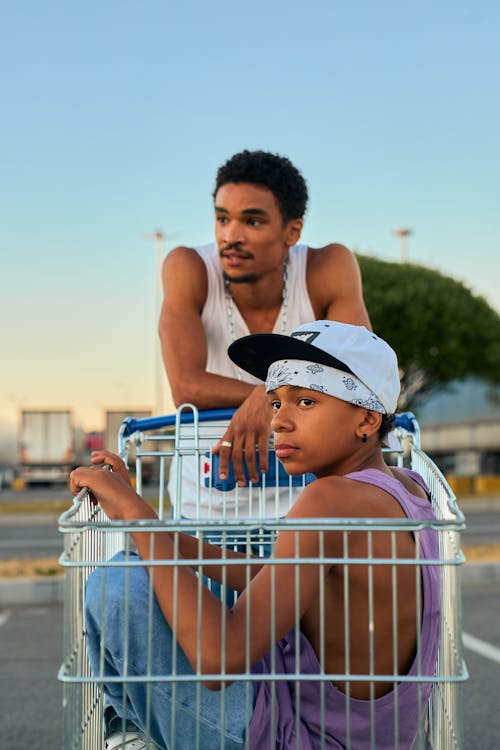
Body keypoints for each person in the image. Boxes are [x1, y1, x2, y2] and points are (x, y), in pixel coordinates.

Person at [74, 320, 440, 750]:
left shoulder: (333, 498)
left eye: (305, 401)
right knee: (144, 560)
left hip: (300, 738)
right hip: (329, 720)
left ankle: (130, 730)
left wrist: (139, 519)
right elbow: (276, 575)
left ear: (366, 418)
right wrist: (149, 528)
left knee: (118, 585)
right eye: (274, 402)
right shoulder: (404, 485)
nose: (279, 422)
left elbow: (219, 661)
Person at [158, 149, 371, 520]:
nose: (230, 236)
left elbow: (358, 372)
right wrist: (267, 394)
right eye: (222, 218)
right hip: (211, 502)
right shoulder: (188, 268)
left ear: (292, 231)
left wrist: (269, 397)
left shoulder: (326, 268)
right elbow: (186, 387)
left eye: (252, 222)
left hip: (311, 497)